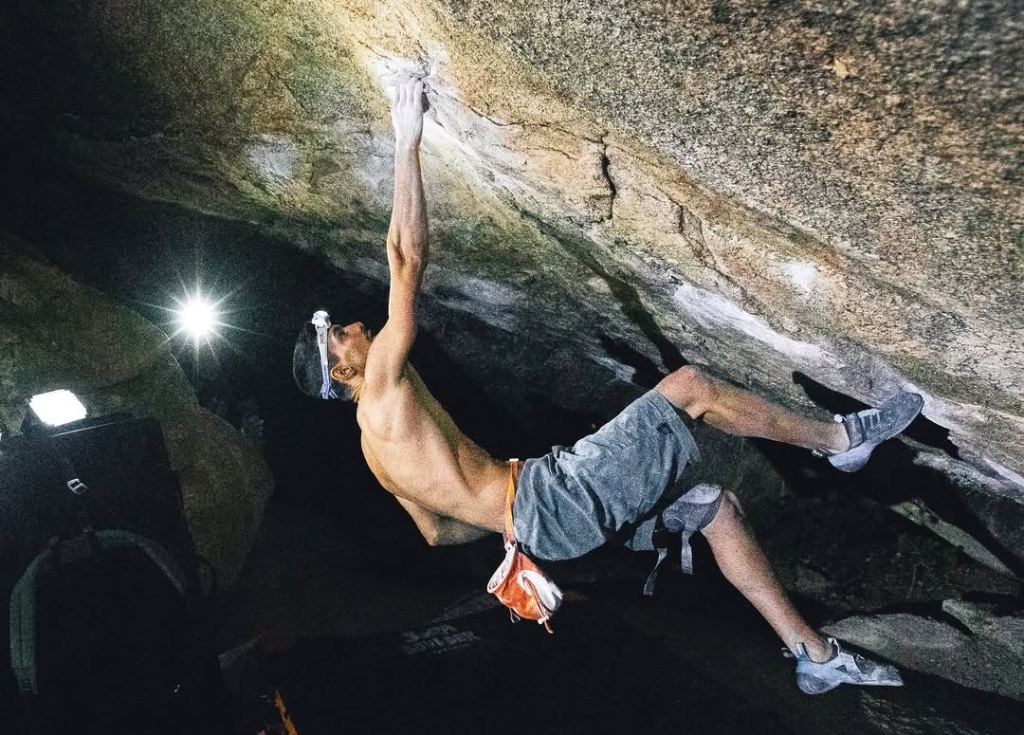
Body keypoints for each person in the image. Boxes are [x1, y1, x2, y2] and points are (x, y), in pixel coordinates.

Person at [293, 77, 921, 695]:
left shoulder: (374, 454)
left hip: (540, 524)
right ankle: (840, 441)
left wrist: (505, 520)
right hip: (548, 501)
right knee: (692, 387)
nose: (351, 325)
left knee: (715, 511)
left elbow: (437, 532)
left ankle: (814, 655)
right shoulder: (378, 387)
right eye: (337, 337)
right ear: (341, 372)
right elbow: (406, 261)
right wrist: (407, 139)